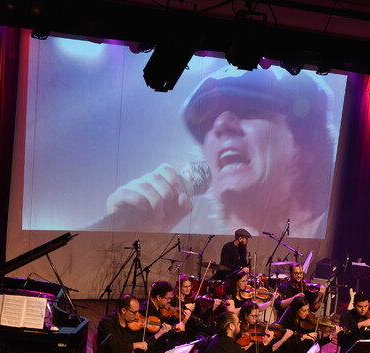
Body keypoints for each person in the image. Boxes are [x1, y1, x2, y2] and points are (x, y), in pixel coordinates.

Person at [98, 66, 337, 238]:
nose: (221, 125)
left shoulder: (340, 229)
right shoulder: (185, 235)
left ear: (307, 143)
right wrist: (128, 232)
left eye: (246, 110)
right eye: (208, 121)